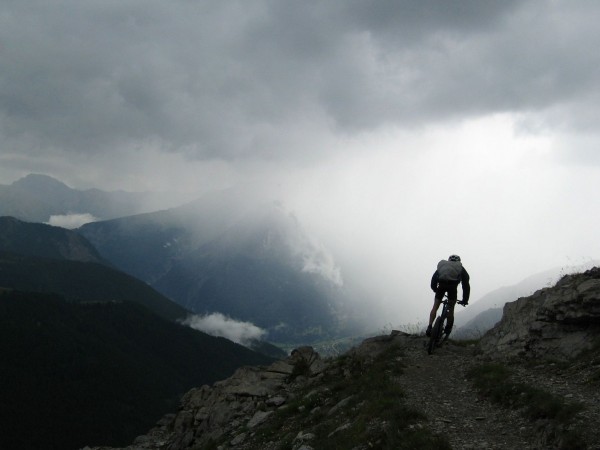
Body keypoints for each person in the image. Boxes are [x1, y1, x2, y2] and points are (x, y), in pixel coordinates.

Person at [426, 254, 470, 337]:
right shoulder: (460, 268)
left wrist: (435, 289)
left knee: (435, 307)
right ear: (458, 261)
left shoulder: (443, 265)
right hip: (452, 288)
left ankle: (429, 326)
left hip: (441, 286)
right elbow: (466, 285)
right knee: (451, 308)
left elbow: (434, 279)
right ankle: (448, 328)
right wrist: (465, 300)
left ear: (449, 260)